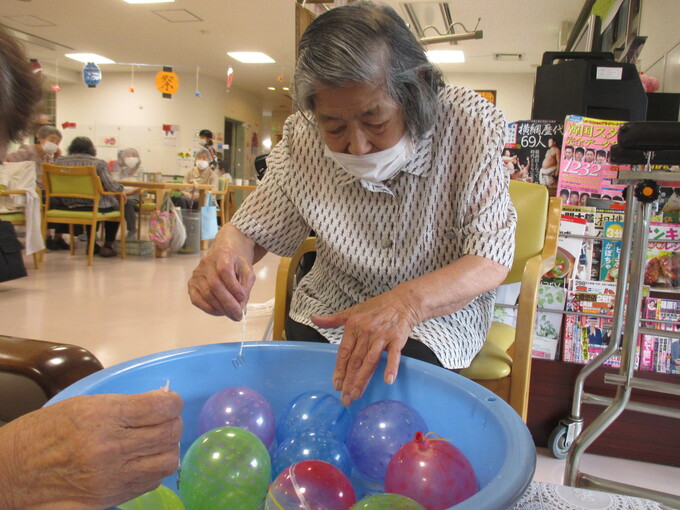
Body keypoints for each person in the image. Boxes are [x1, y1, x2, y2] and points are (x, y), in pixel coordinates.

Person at [188, 1, 516, 407]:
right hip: (332, 302)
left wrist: (406, 303)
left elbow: (490, 258)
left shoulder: (469, 124)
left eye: (375, 121)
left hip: (433, 311)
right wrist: (225, 251)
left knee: (397, 384)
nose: (357, 146)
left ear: (417, 94)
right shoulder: (303, 137)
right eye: (335, 126)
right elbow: (253, 229)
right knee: (308, 385)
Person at [0, 23, 183, 509]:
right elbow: (117, 193)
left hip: (64, 213)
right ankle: (103, 243)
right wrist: (13, 466)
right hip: (98, 210)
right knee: (116, 211)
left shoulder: (51, 167)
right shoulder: (99, 166)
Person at [54, 136, 126, 257]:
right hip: (93, 205)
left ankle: (91, 243)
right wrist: (121, 190)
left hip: (68, 204)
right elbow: (112, 187)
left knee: (94, 204)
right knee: (114, 204)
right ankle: (108, 245)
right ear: (91, 149)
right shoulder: (98, 163)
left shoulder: (58, 162)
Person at [5, 125, 69, 250]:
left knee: (66, 200)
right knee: (51, 201)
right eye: (52, 139)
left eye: (57, 141)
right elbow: (7, 159)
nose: (54, 143)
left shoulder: (47, 156)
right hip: (28, 190)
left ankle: (58, 237)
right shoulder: (28, 151)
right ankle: (47, 236)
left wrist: (57, 158)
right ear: (40, 138)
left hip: (42, 190)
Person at [112, 147, 144, 238]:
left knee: (126, 202)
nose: (131, 157)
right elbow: (115, 182)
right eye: (128, 156)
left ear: (138, 158)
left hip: (134, 196)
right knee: (106, 203)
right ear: (123, 159)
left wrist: (126, 193)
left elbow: (140, 187)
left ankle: (132, 230)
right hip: (119, 195)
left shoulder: (141, 170)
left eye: (133, 155)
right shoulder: (122, 171)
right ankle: (95, 233)